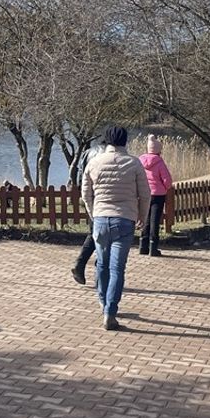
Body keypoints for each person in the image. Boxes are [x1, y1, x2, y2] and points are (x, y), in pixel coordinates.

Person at [82, 126, 150, 330]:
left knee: (101, 264)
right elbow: (145, 194)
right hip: (125, 219)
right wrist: (142, 216)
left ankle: (103, 301)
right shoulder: (134, 163)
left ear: (106, 140)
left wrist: (93, 212)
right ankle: (110, 312)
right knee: (117, 268)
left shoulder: (94, 162)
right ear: (125, 141)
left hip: (101, 218)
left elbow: (86, 193)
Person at [71, 140, 105, 284]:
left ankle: (80, 264)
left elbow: (81, 175)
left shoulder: (87, 153)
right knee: (101, 235)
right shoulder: (109, 154)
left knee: (94, 232)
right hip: (104, 197)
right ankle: (97, 272)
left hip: (91, 197)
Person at [138, 135, 173, 257]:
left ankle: (143, 246)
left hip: (145, 193)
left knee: (145, 219)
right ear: (158, 150)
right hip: (158, 194)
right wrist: (166, 187)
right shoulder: (159, 162)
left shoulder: (140, 161)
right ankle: (153, 247)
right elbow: (167, 180)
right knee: (154, 221)